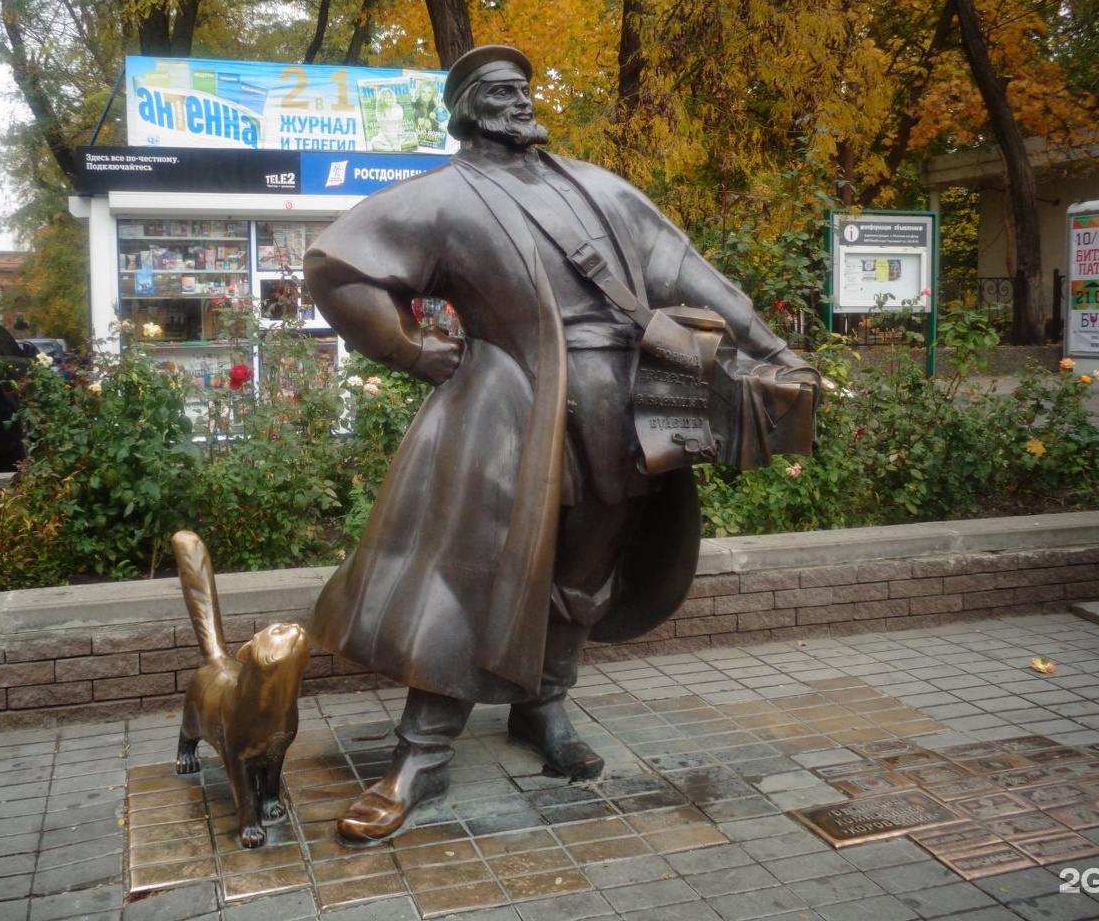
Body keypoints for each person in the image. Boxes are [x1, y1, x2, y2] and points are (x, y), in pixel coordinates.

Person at [302, 45, 818, 845]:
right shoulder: (442, 197)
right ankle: (421, 752)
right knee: (474, 577)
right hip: (507, 409)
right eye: (501, 92)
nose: (519, 102)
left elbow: (695, 279)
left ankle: (543, 706)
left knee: (586, 572)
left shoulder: (599, 188)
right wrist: (412, 351)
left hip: (630, 406)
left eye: (523, 90)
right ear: (469, 107)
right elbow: (338, 267)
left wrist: (776, 352)